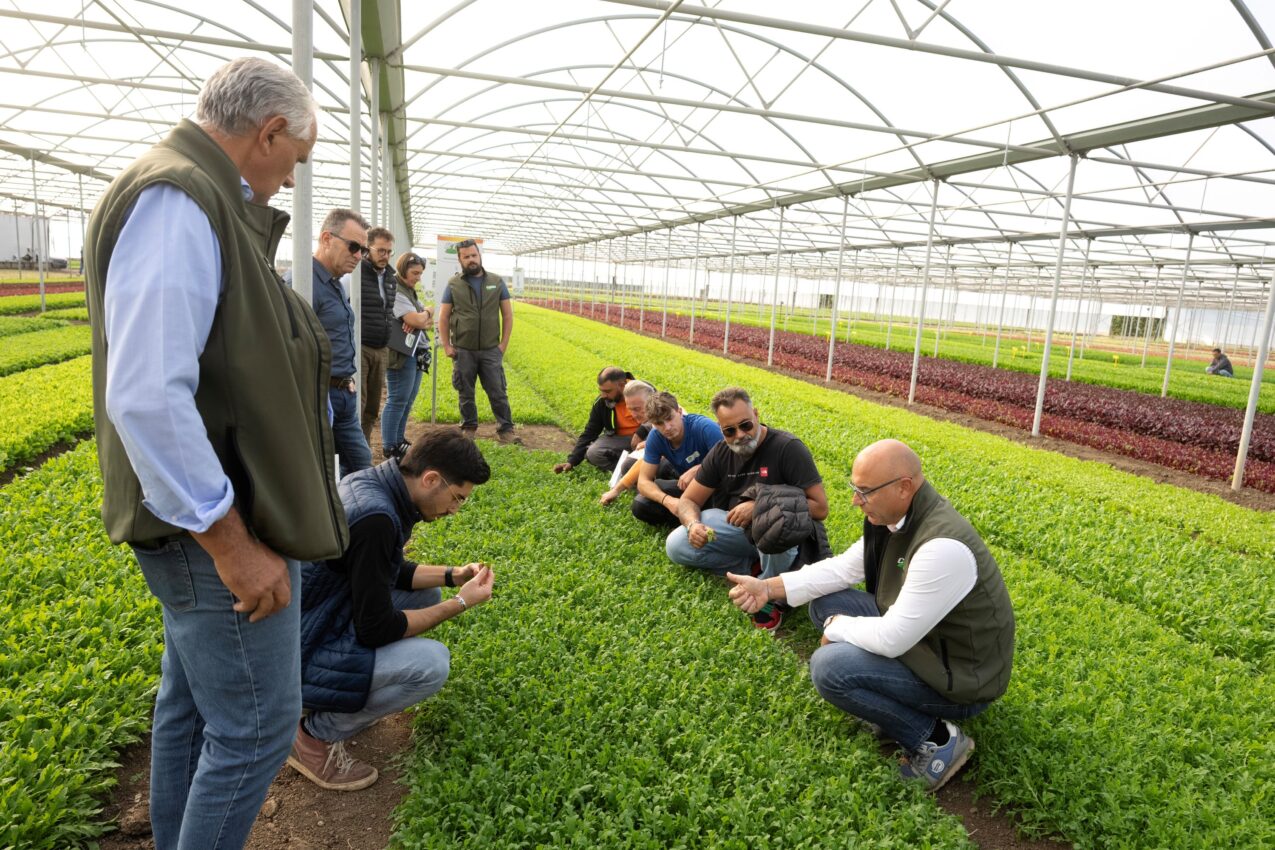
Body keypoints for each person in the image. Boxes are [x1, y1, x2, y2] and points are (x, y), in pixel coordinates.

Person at [84, 57, 347, 847]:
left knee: (193, 709)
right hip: (217, 529)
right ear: (269, 132)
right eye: (294, 159)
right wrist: (230, 543)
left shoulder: (197, 195)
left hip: (215, 518)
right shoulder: (180, 196)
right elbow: (147, 395)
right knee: (257, 729)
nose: (289, 180)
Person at [725, 439, 1015, 792]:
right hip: (927, 640)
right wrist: (767, 588)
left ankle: (936, 739)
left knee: (829, 667)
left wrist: (838, 628)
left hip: (960, 677)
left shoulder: (941, 547)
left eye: (864, 492)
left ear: (903, 487)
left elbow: (892, 638)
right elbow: (841, 570)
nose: (854, 501)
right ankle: (889, 708)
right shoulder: (896, 519)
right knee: (825, 602)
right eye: (854, 489)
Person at [292, 428, 494, 790]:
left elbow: (388, 570)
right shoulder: (377, 518)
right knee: (431, 666)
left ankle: (338, 695)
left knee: (427, 595)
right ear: (431, 479)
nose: (454, 510)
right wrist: (461, 602)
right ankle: (312, 736)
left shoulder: (372, 486)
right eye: (457, 498)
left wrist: (453, 575)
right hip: (302, 648)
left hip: (317, 616)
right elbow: (376, 628)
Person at [666, 386, 828, 630]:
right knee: (676, 545)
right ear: (721, 429)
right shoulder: (721, 452)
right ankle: (753, 567)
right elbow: (688, 501)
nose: (740, 435)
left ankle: (770, 593)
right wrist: (692, 524)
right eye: (729, 431)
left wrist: (760, 506)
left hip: (787, 535)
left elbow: (820, 508)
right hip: (742, 532)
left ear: (756, 414)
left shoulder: (788, 448)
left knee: (769, 522)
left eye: (745, 425)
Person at [288, 208, 373, 478]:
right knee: (319, 471)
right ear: (326, 239)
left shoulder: (334, 282)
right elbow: (290, 346)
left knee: (360, 466)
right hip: (318, 395)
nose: (359, 256)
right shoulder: (302, 283)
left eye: (363, 250)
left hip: (342, 393)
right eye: (354, 247)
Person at [436, 238, 520, 444]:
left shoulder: (496, 281)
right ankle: (469, 428)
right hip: (463, 349)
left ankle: (506, 429)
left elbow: (507, 315)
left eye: (474, 255)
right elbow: (443, 317)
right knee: (465, 391)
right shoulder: (454, 284)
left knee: (498, 391)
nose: (471, 259)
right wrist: (447, 345)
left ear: (479, 255)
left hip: (491, 349)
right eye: (466, 257)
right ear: (460, 260)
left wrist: (503, 345)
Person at [631, 391, 723, 528]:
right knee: (641, 505)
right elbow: (643, 482)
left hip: (717, 488)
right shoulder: (655, 437)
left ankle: (697, 518)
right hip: (690, 491)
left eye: (669, 418)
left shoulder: (705, 427)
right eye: (659, 423)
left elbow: (730, 463)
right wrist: (669, 501)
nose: (667, 427)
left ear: (679, 412)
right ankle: (693, 517)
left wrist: (699, 469)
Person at [381, 251, 432, 459]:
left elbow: (425, 319)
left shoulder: (409, 290)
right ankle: (389, 445)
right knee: (397, 398)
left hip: (413, 350)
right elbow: (417, 321)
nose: (418, 278)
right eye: (415, 273)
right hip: (400, 353)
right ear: (403, 270)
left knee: (407, 399)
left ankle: (399, 440)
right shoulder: (395, 289)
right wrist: (421, 317)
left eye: (420, 273)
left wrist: (424, 314)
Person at [554, 366, 645, 474]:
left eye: (607, 391)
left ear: (622, 385)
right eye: (601, 391)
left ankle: (640, 464)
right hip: (619, 439)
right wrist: (571, 461)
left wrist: (642, 432)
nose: (603, 395)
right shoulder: (602, 402)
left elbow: (660, 416)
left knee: (656, 447)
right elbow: (590, 432)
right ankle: (630, 468)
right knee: (593, 453)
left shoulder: (644, 391)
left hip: (646, 437)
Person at [360, 226, 398, 440]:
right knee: (359, 403)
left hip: (381, 349)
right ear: (368, 248)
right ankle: (350, 452)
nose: (385, 256)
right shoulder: (356, 273)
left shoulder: (390, 277)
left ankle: (363, 447)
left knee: (372, 407)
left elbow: (389, 310)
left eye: (389, 251)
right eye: (381, 251)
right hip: (361, 346)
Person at [598, 380, 658, 506]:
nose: (633, 415)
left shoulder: (667, 418)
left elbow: (652, 457)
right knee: (628, 465)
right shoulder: (655, 418)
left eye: (637, 409)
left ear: (652, 401)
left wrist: (616, 490)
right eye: (630, 409)